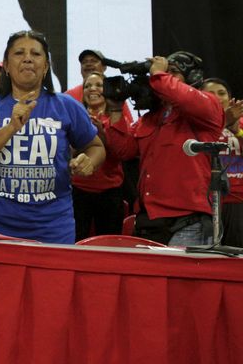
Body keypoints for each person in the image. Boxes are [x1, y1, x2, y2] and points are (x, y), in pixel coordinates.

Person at [0, 30, 105, 243]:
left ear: (46, 66)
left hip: (52, 230)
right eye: (19, 53)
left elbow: (96, 147)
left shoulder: (66, 106)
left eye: (36, 54)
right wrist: (10, 127)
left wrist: (89, 162)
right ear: (7, 66)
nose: (28, 58)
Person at [105, 52, 223, 246]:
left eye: (173, 72)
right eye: (164, 72)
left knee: (180, 277)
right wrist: (116, 110)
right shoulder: (150, 117)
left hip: (186, 221)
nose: (160, 76)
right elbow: (124, 151)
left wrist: (158, 74)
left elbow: (184, 97)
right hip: (148, 219)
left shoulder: (208, 105)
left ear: (192, 78)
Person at [70, 72, 133, 240]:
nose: (92, 89)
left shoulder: (119, 119)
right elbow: (69, 154)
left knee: (109, 243)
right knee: (76, 241)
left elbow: (122, 154)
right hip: (79, 191)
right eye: (87, 86)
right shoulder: (75, 119)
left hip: (110, 193)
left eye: (98, 85)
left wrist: (103, 136)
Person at [200, 78, 243, 247]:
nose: (217, 97)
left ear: (230, 98)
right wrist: (223, 122)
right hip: (205, 201)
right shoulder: (198, 125)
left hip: (238, 201)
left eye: (221, 93)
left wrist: (237, 131)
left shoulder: (241, 123)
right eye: (209, 94)